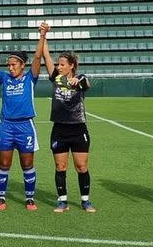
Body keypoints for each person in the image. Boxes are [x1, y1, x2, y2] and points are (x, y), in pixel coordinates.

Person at [0, 26, 45, 211]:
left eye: (14, 64)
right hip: (6, 126)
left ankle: (29, 199)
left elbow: (37, 58)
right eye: (9, 64)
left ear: (22, 65)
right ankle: (1, 197)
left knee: (27, 164)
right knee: (4, 164)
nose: (10, 67)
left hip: (25, 126)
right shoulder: (4, 78)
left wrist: (42, 36)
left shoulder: (30, 78)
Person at [42, 25, 96, 213]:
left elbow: (86, 83)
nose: (59, 66)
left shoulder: (80, 79)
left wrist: (78, 81)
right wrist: (43, 35)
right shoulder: (56, 77)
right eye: (58, 64)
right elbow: (46, 56)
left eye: (62, 64)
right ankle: (62, 201)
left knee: (81, 166)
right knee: (60, 166)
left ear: (71, 65)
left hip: (78, 128)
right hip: (60, 129)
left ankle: (85, 200)